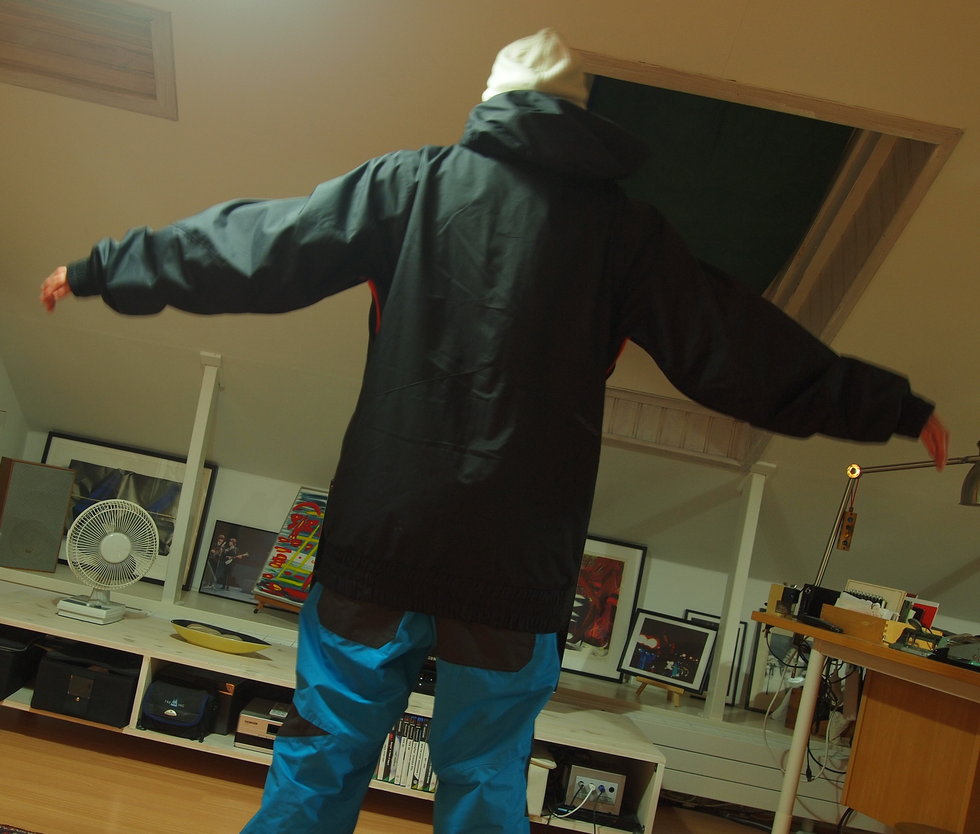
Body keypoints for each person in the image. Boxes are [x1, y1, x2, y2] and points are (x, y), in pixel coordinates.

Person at [40, 28, 948, 834]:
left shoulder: (409, 185)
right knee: (484, 780)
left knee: (321, 758)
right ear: (577, 117)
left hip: (383, 534)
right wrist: (891, 407)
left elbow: (262, 248)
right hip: (517, 560)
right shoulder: (624, 233)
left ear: (493, 102)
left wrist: (106, 268)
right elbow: (735, 347)